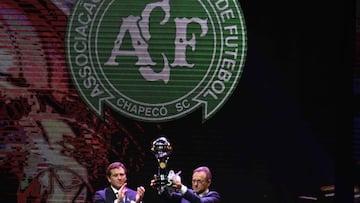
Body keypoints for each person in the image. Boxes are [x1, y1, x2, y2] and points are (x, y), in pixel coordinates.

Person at [151, 166, 221, 203]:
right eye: (193, 181)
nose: (195, 184)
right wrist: (160, 187)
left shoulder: (214, 197)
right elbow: (170, 197)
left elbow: (199, 202)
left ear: (208, 182)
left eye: (199, 181)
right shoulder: (187, 194)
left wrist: (181, 187)